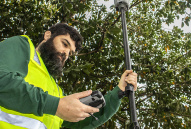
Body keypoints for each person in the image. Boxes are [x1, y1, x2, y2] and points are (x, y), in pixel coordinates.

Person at [0, 23, 138, 129]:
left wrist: (119, 91)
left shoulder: (57, 91)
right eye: (64, 44)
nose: (66, 53)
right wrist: (56, 105)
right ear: (48, 35)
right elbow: (3, 81)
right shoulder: (24, 47)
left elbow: (84, 120)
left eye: (70, 52)